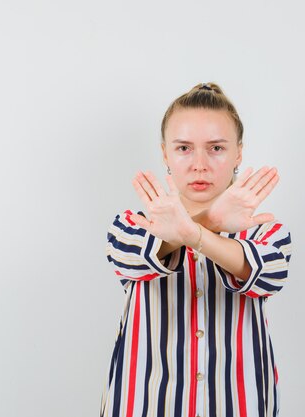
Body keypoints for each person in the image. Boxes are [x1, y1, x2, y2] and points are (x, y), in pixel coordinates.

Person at [100, 82, 293, 417]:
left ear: (238, 153)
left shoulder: (266, 229)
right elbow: (130, 258)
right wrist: (211, 221)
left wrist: (199, 230)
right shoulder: (133, 224)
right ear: (165, 154)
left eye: (216, 148)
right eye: (184, 148)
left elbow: (265, 276)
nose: (200, 164)